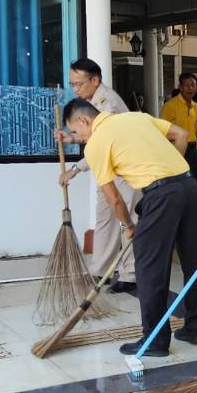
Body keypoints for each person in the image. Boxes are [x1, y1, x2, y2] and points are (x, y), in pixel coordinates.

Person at [61, 98, 197, 358]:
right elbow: (182, 135)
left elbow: (114, 198)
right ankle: (195, 326)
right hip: (188, 186)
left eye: (75, 132)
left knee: (149, 267)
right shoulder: (135, 117)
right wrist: (171, 172)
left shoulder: (96, 144)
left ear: (84, 120)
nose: (79, 138)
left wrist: (127, 226)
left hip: (161, 196)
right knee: (192, 259)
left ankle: (155, 340)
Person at [58, 58, 139, 295]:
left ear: (95, 80)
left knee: (128, 220)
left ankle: (130, 274)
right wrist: (71, 138)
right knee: (105, 218)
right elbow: (92, 138)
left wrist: (75, 169)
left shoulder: (108, 103)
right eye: (72, 84)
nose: (75, 89)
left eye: (79, 84)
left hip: (125, 169)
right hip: (107, 169)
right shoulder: (89, 103)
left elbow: (102, 144)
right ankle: (100, 269)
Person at [161, 72, 197, 236]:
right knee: (178, 190)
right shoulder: (170, 106)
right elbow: (162, 132)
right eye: (187, 85)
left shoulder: (196, 107)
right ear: (180, 87)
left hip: (193, 151)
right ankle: (177, 229)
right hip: (176, 151)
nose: (190, 88)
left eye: (193, 85)